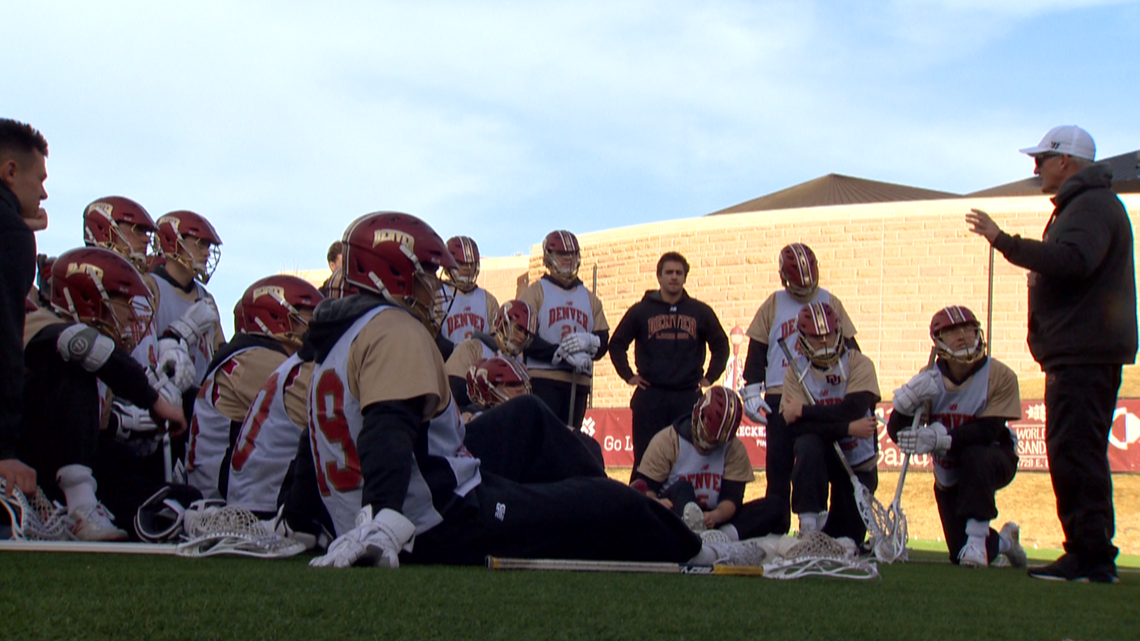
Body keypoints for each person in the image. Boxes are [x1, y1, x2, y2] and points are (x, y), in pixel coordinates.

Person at [283, 212, 761, 569]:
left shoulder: (334, 340)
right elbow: (387, 429)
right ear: (394, 275)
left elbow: (312, 448)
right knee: (608, 506)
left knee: (527, 415)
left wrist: (298, 521)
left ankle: (591, 491)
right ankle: (695, 547)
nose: (436, 287)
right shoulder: (395, 328)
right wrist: (382, 523)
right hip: (432, 515)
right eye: (428, 274)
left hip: (411, 483)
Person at [966, 125, 1137, 583]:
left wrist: (1005, 241)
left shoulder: (1091, 206)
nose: (1036, 166)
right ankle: (1090, 552)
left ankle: (1090, 554)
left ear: (1067, 162)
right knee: (1075, 452)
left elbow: (1072, 260)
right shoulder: (1087, 205)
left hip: (1083, 354)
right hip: (1079, 352)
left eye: (1043, 158)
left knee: (1076, 454)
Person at [21, 248, 186, 539]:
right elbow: (86, 347)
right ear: (88, 298)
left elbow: (92, 431)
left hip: (64, 467)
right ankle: (80, 507)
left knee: (182, 497)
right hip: (28, 465)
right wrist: (153, 400)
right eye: (123, 301)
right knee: (76, 366)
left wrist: (140, 429)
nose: (131, 315)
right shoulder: (39, 325)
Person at [888, 306, 1026, 569]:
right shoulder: (929, 376)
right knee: (956, 551)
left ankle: (977, 541)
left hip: (994, 456)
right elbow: (899, 434)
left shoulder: (1000, 375)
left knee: (975, 456)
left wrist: (942, 440)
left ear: (978, 332)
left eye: (967, 328)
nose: (962, 335)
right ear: (938, 341)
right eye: (952, 331)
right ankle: (1006, 542)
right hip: (949, 470)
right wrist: (905, 405)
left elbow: (989, 431)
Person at [739, 243, 859, 534]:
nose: (803, 290)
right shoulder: (775, 303)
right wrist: (752, 389)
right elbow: (758, 348)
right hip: (781, 392)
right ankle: (775, 530)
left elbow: (852, 350)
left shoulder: (831, 301)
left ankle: (826, 527)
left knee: (818, 459)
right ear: (783, 277)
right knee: (777, 467)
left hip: (821, 393)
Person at [187, 275, 322, 501]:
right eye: (305, 317)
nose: (312, 326)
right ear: (277, 316)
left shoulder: (245, 355)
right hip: (227, 502)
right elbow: (323, 402)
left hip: (220, 489)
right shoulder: (256, 360)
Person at [609, 251, 729, 475]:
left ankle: (683, 506)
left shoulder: (700, 312)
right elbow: (616, 343)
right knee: (645, 462)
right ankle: (641, 505)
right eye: (669, 272)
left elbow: (721, 345)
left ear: (685, 277)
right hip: (650, 397)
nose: (674, 277)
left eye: (679, 273)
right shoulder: (641, 310)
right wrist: (629, 376)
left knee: (686, 460)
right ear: (659, 277)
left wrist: (709, 377)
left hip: (687, 397)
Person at [632, 386, 786, 542]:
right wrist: (657, 503)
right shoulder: (668, 441)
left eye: (719, 441)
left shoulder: (734, 448)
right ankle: (691, 534)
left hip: (713, 519)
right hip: (675, 513)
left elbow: (732, 498)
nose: (712, 443)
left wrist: (716, 516)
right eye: (710, 435)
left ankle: (719, 537)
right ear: (700, 415)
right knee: (682, 487)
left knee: (776, 506)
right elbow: (645, 490)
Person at [780, 302, 879, 544]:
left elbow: (852, 409)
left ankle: (830, 526)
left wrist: (804, 410)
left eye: (829, 334)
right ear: (803, 338)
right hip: (822, 456)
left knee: (846, 540)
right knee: (807, 444)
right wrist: (847, 427)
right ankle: (809, 524)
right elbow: (796, 428)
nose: (824, 342)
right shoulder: (795, 371)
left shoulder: (859, 363)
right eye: (815, 337)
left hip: (856, 463)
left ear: (839, 332)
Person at [0, 118, 48, 498]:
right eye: (40, 179)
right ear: (10, 171)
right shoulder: (11, 235)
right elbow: (3, 341)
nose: (44, 193)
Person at [519, 230, 609, 429]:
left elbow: (603, 339)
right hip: (543, 379)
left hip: (578, 380)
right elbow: (521, 335)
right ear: (549, 257)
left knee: (571, 442)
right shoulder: (535, 292)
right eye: (562, 254)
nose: (568, 259)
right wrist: (558, 352)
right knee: (544, 439)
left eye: (572, 254)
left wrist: (591, 343)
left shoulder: (589, 298)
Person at [150, 210, 226, 384]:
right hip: (158, 390)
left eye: (208, 247)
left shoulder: (206, 298)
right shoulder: (151, 287)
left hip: (197, 398)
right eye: (200, 245)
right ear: (172, 242)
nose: (207, 253)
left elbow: (219, 350)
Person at [444, 299, 535, 410]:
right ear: (503, 323)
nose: (522, 337)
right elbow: (454, 393)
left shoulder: (518, 362)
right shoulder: (472, 348)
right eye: (519, 328)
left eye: (527, 333)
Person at [437, 236, 500, 360]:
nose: (467, 269)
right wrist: (455, 350)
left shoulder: (489, 300)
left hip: (480, 368)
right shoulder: (437, 294)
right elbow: (432, 335)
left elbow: (497, 340)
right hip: (447, 365)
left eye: (471, 264)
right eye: (461, 263)